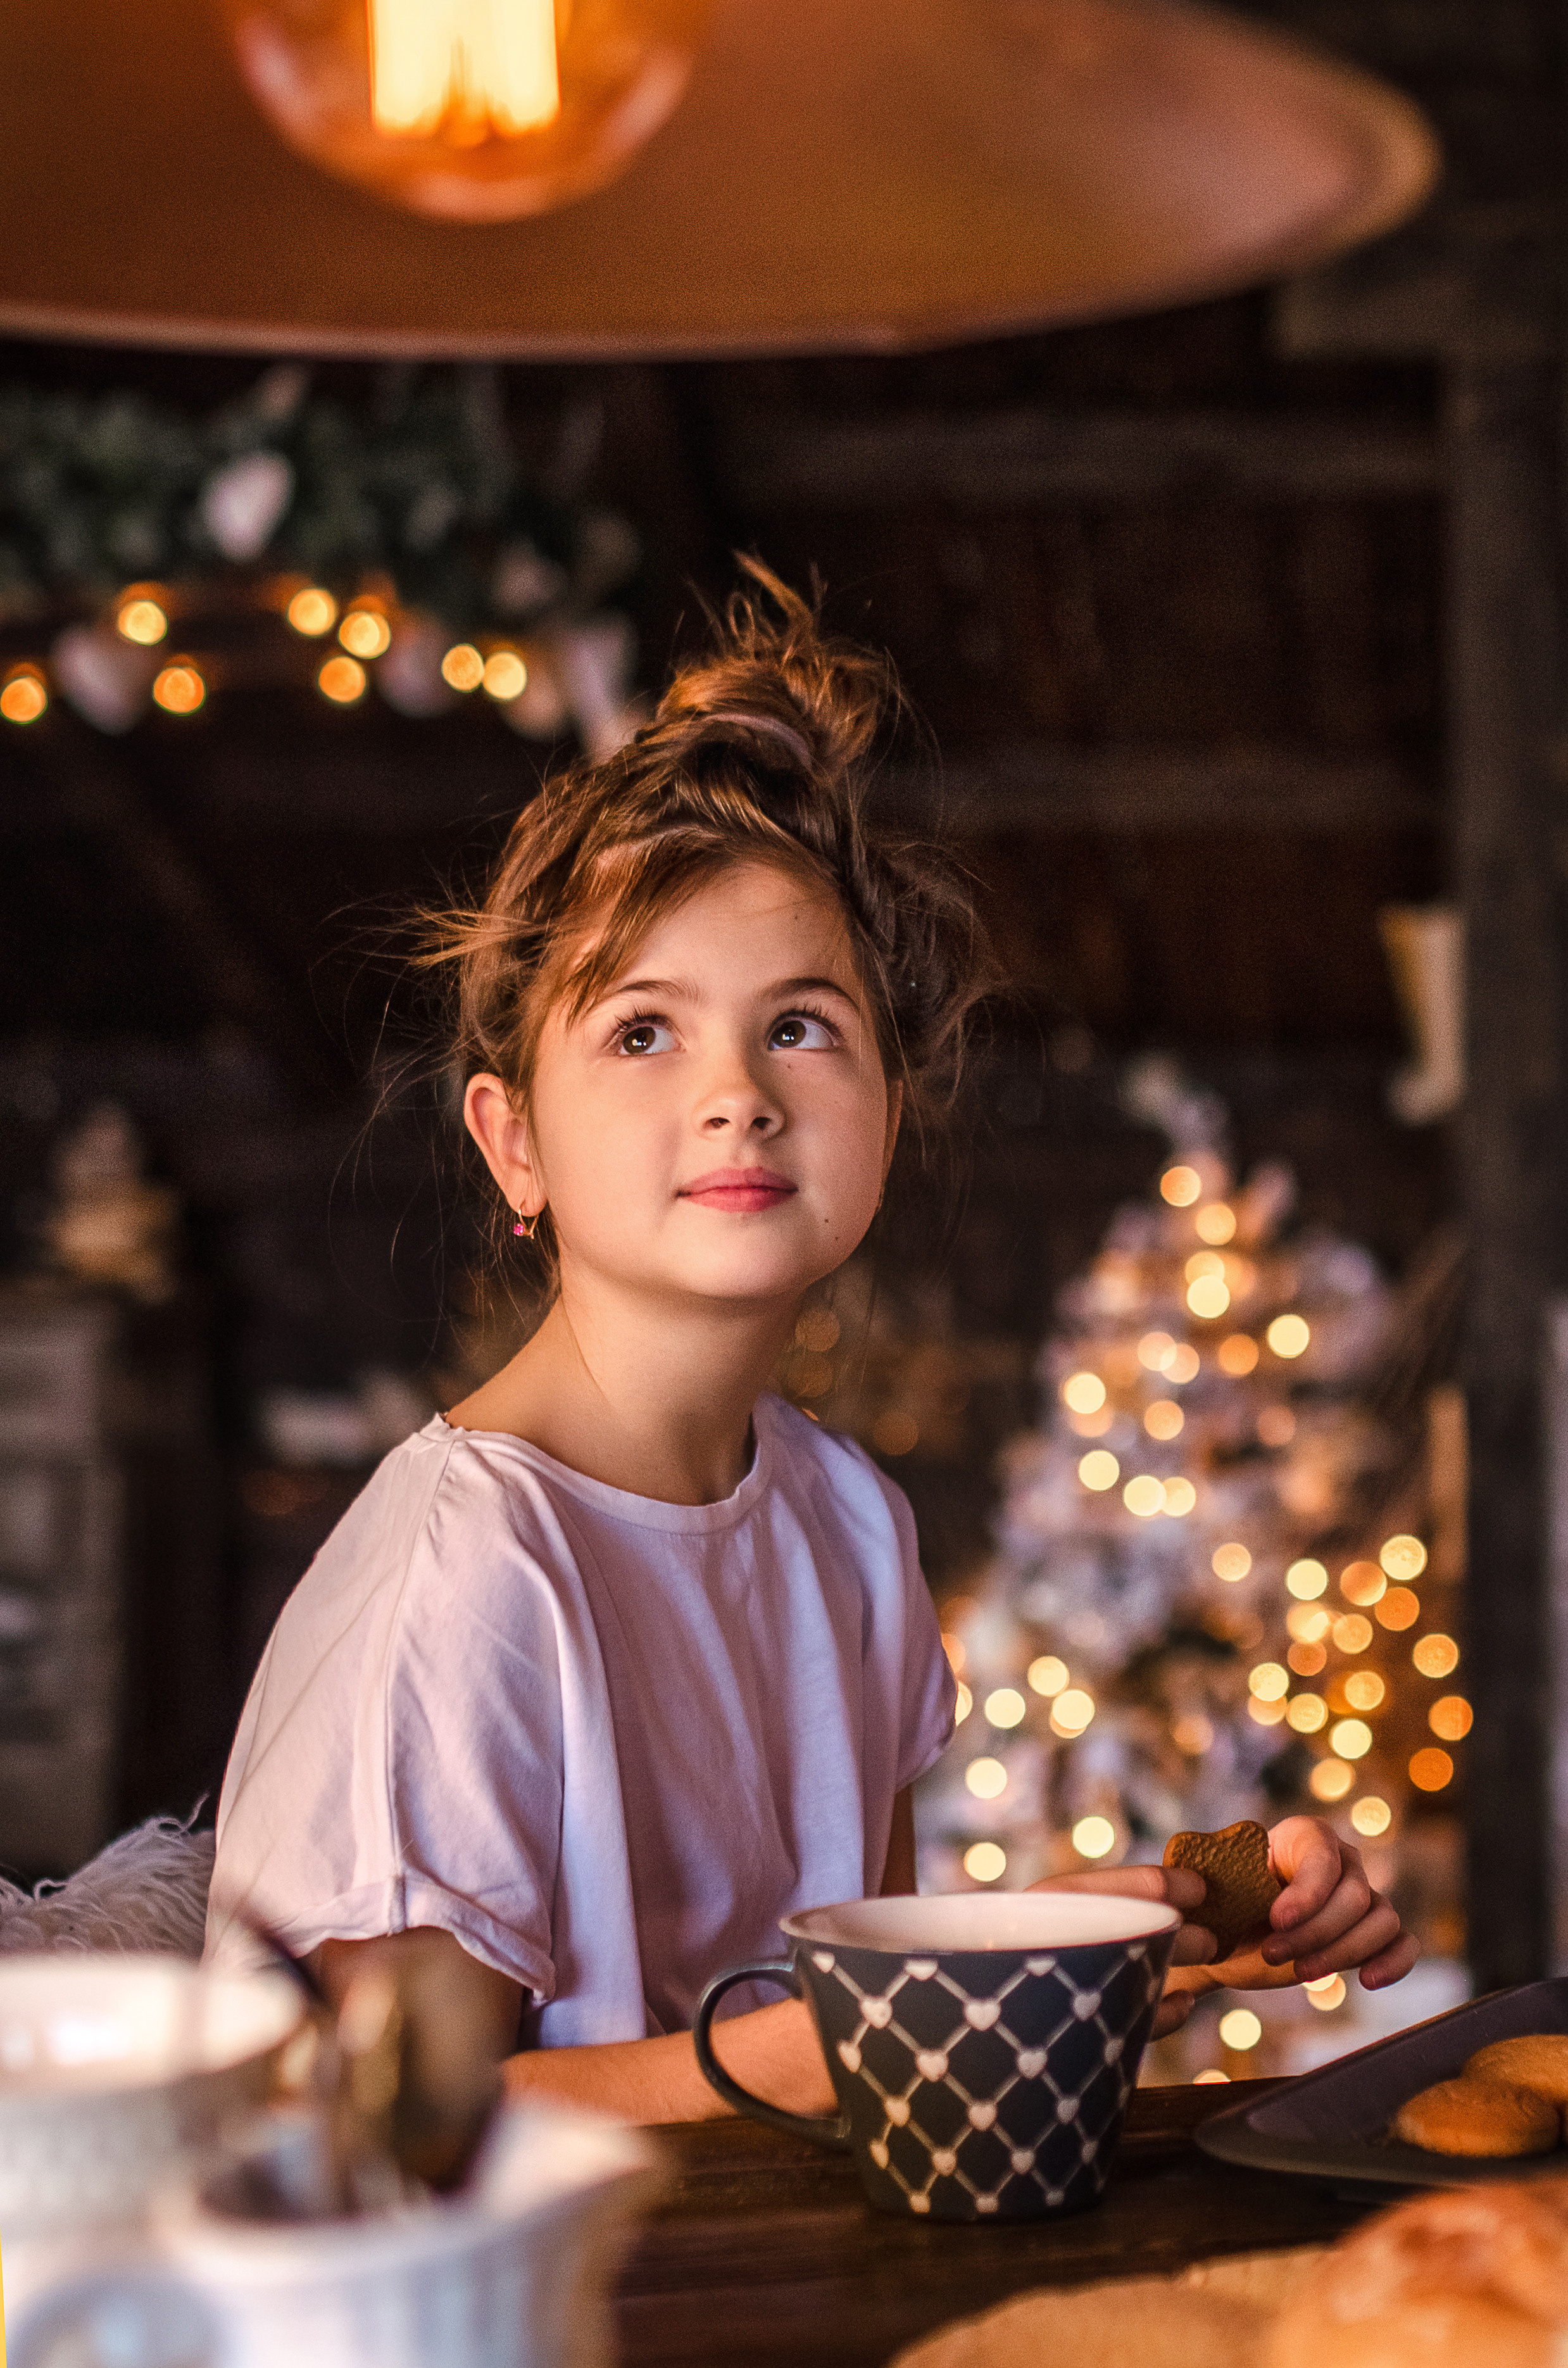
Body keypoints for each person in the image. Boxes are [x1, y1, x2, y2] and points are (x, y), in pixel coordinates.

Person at [206, 567, 1417, 2120]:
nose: (738, 1090)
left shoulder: (850, 1529)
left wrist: (1142, 1921)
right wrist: (861, 2036)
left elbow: (862, 1978)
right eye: (643, 1031)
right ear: (513, 1144)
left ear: (888, 1115)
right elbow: (372, 2127)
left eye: (799, 1025)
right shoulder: (468, 1577)